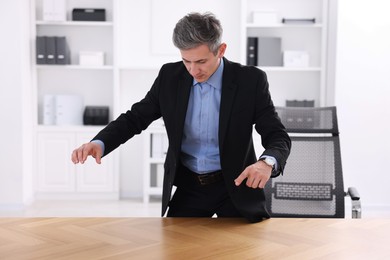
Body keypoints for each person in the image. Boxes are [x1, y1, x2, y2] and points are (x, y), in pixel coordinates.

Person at [71, 12, 291, 223]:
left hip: (235, 185)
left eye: (201, 61)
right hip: (190, 187)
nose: (193, 70)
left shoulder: (250, 81)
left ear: (221, 50)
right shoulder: (170, 76)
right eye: (187, 61)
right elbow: (135, 117)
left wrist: (266, 163)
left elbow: (277, 135)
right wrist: (100, 142)